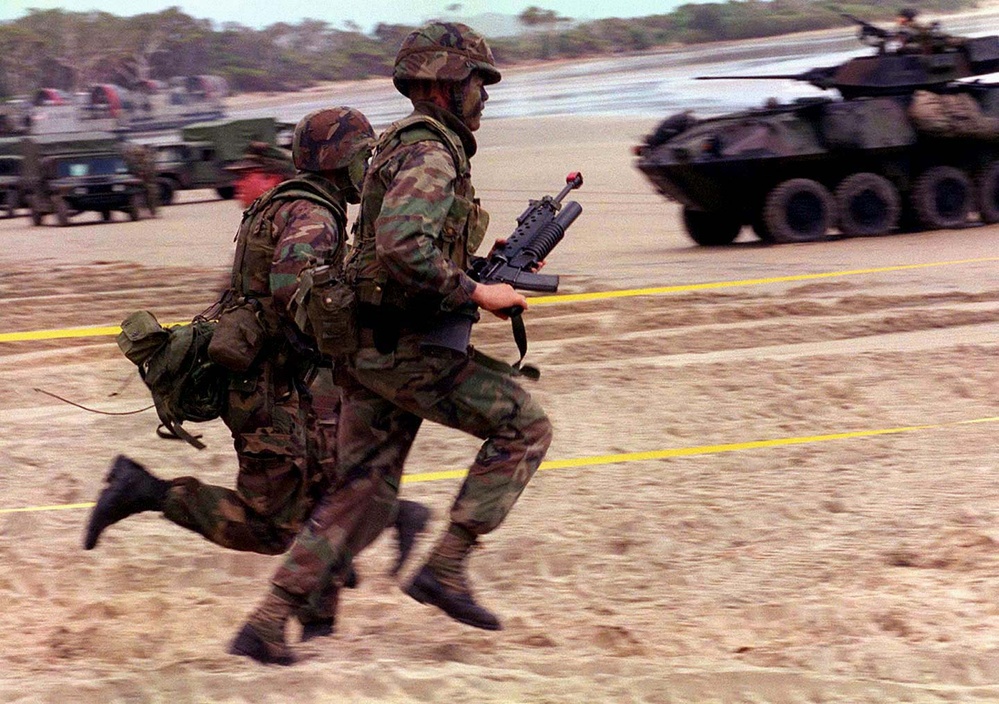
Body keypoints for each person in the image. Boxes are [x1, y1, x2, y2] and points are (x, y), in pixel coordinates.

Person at [228, 21, 554, 666]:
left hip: (370, 345)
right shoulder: (432, 151)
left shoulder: (407, 148)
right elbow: (403, 249)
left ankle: (267, 622)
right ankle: (447, 567)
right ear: (442, 83)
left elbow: (405, 248)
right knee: (524, 426)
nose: (484, 97)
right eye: (477, 83)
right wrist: (476, 294)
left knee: (362, 492)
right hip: (402, 346)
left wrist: (478, 271)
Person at [84, 106, 431, 640]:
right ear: (343, 160)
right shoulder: (314, 214)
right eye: (367, 156)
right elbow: (297, 289)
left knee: (326, 484)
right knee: (272, 524)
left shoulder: (293, 203)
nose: (373, 166)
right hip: (267, 385)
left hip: (281, 377)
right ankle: (145, 491)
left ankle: (319, 613)